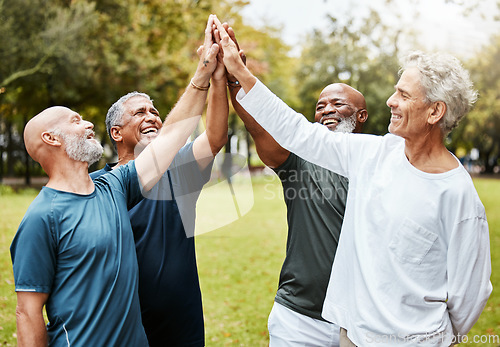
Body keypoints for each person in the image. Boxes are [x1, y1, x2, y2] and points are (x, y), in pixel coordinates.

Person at [215, 18, 492, 347]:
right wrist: (240, 75)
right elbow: (296, 131)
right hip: (352, 336)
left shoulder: (458, 196)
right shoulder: (373, 155)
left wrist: (430, 337)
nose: (390, 101)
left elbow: (469, 294)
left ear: (434, 112)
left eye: (403, 95)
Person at [10, 14, 221, 346]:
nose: (89, 125)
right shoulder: (41, 217)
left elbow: (172, 137)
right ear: (52, 139)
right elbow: (27, 312)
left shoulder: (114, 187)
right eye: (75, 121)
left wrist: (204, 73)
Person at [223, 24, 368, 347]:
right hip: (299, 319)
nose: (327, 109)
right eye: (320, 106)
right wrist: (236, 79)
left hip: (362, 320)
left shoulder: (379, 162)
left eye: (338, 104)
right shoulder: (300, 161)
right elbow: (258, 127)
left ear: (361, 116)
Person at [89, 36, 228, 347]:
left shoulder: (179, 169)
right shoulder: (98, 184)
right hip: (120, 323)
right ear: (116, 133)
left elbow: (215, 137)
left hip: (180, 325)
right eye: (139, 113)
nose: (151, 116)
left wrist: (218, 78)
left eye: (154, 111)